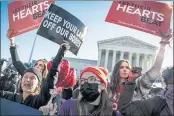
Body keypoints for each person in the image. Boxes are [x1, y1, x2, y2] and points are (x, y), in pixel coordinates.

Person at [108, 29, 173, 109]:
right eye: (121, 67)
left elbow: (155, 70)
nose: (125, 69)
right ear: (116, 70)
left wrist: (163, 46)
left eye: (127, 67)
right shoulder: (108, 88)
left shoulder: (138, 88)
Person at [0, 42, 70, 109]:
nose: (28, 79)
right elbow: (17, 63)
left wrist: (62, 50)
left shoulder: (41, 94)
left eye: (40, 65)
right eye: (26, 77)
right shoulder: (13, 97)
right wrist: (12, 44)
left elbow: (53, 72)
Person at [39, 66, 122, 116]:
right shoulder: (68, 106)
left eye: (91, 79)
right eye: (82, 80)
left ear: (103, 85)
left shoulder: (113, 114)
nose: (85, 83)